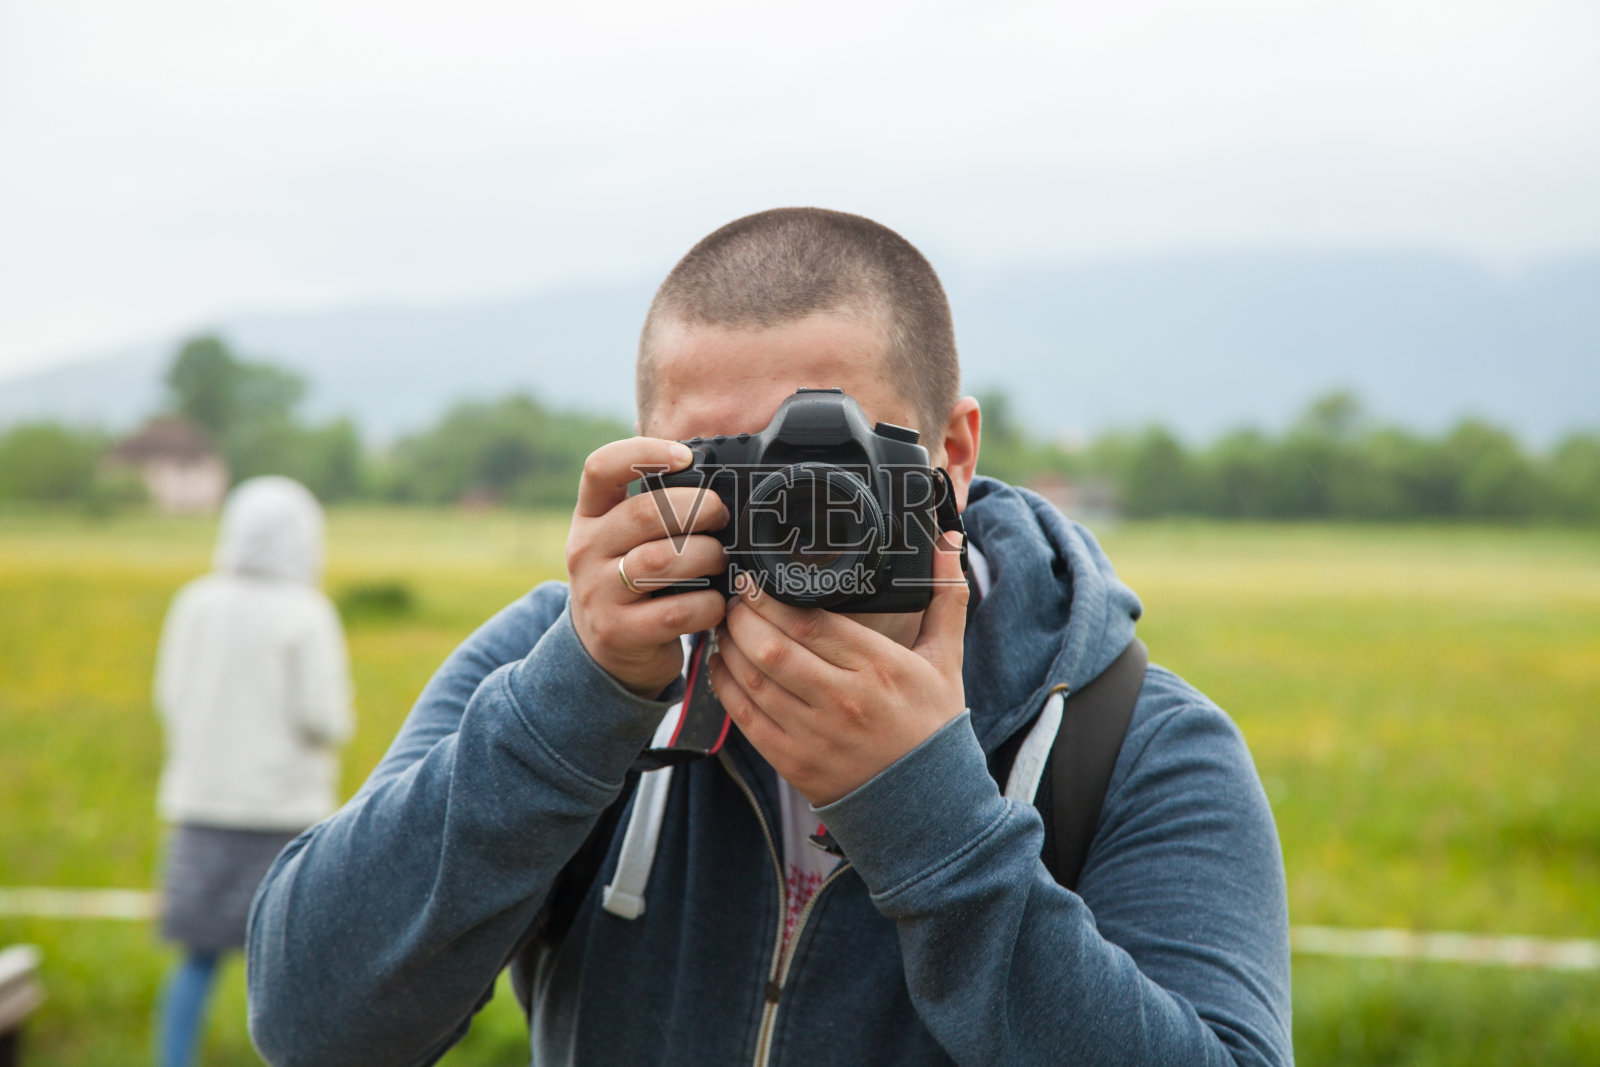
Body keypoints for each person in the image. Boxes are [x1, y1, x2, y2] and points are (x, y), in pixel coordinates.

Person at [247, 209, 1291, 1065]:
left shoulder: (1131, 739)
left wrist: (929, 816)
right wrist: (579, 697)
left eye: (829, 456)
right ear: (646, 463)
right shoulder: (560, 666)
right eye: (723, 466)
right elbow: (311, 1027)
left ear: (954, 454)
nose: (787, 511)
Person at [153, 476, 353, 1067]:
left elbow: (171, 695)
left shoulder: (196, 602)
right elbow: (326, 718)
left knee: (196, 956)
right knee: (291, 967)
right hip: (284, 813)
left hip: (201, 804)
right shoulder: (306, 612)